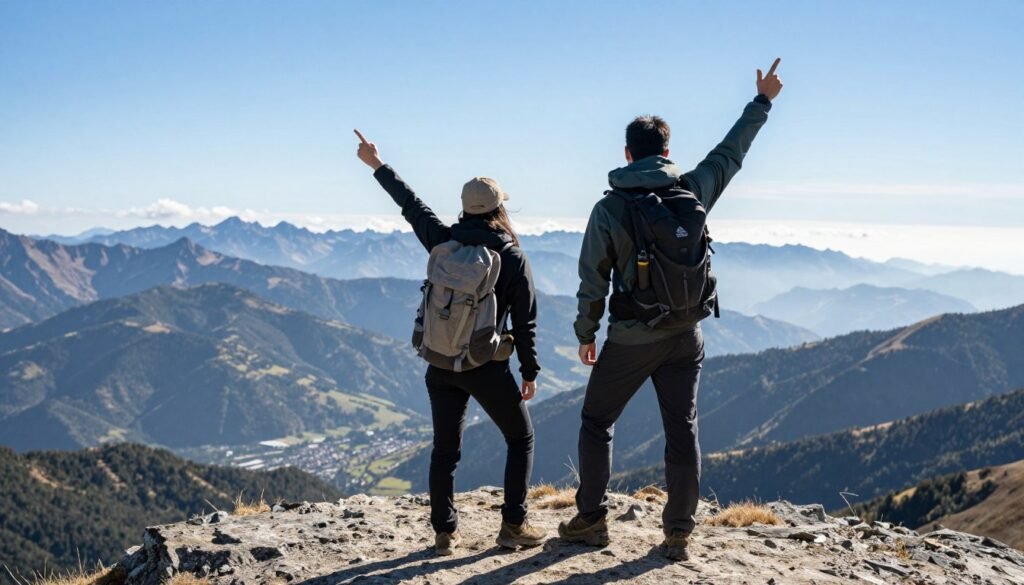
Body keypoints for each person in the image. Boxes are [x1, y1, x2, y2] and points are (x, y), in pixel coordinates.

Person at [558, 59, 784, 560]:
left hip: (633, 337)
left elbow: (591, 278)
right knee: (682, 430)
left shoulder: (611, 208)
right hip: (687, 333)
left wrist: (585, 332)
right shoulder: (692, 190)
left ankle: (592, 520)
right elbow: (731, 153)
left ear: (626, 153)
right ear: (666, 152)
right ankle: (678, 531)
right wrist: (762, 101)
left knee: (597, 422)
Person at [353, 129, 546, 555]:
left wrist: (377, 165)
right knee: (520, 439)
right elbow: (527, 321)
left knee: (445, 451)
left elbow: (411, 206)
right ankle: (513, 525)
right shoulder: (511, 257)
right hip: (486, 368)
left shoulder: (443, 242)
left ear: (464, 208)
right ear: (499, 208)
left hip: (440, 363)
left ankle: (444, 531)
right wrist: (529, 372)